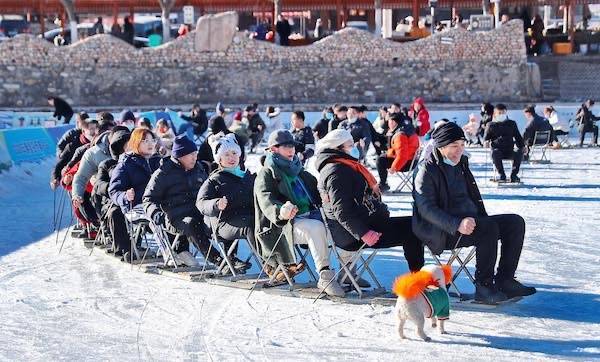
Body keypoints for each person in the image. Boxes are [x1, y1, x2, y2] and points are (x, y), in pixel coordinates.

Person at [413, 122, 536, 304]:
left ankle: (505, 280)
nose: (459, 151)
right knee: (487, 228)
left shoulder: (461, 164)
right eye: (454, 146)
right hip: (441, 230)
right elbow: (426, 208)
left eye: (462, 145)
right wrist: (456, 224)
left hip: (471, 223)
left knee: (514, 222)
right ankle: (484, 286)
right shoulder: (426, 169)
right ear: (440, 146)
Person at [316, 129, 425, 275]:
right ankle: (418, 278)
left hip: (365, 224)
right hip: (353, 234)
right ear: (337, 148)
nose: (354, 148)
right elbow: (342, 210)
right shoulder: (337, 171)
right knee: (412, 230)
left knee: (415, 224)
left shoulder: (345, 165)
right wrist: (364, 233)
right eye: (350, 145)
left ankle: (418, 276)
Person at [254, 130, 345, 296]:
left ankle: (348, 273)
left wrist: (330, 195)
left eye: (293, 146)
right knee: (316, 228)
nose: (291, 150)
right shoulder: (267, 173)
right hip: (284, 225)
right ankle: (325, 277)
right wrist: (281, 210)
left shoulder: (298, 170)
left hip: (311, 215)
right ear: (274, 149)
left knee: (344, 224)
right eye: (286, 146)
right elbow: (265, 199)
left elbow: (318, 189)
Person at [143, 135, 215, 267]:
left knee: (223, 220)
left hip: (199, 213)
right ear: (180, 155)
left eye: (195, 153)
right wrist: (155, 213)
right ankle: (218, 260)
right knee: (192, 223)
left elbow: (208, 190)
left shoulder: (198, 169)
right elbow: (148, 199)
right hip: (174, 218)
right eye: (191, 154)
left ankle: (231, 258)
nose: (195, 157)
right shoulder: (163, 173)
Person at [196, 133, 255, 271]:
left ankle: (283, 261)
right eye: (226, 154)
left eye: (234, 153)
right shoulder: (214, 179)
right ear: (219, 159)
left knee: (267, 222)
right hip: (223, 223)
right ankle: (271, 265)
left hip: (246, 217)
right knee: (251, 227)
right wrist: (216, 204)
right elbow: (201, 203)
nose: (231, 157)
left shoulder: (247, 176)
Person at [108, 128, 161, 260]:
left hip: (157, 204)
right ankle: (169, 255)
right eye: (144, 141)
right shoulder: (126, 163)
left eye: (152, 140)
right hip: (135, 206)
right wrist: (125, 196)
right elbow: (114, 191)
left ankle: (179, 250)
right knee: (157, 216)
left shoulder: (159, 161)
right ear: (136, 143)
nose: (150, 144)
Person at [92, 128, 130, 259]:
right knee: (115, 212)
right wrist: (113, 189)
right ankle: (124, 249)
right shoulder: (107, 164)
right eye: (127, 145)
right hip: (112, 200)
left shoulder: (138, 161)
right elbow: (98, 184)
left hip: (135, 200)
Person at [71, 114, 116, 221]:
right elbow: (81, 176)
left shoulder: (127, 147)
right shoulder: (92, 152)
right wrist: (77, 195)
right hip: (102, 193)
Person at [376, 113, 420, 192]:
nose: (388, 124)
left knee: (380, 160)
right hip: (412, 160)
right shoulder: (407, 129)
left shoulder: (400, 135)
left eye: (389, 121)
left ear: (394, 122)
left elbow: (402, 155)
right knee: (383, 157)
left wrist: (394, 168)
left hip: (406, 163)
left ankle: (383, 184)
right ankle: (383, 183)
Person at [51, 118, 98, 190]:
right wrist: (55, 178)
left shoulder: (99, 143)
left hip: (93, 183)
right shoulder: (73, 146)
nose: (94, 131)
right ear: (83, 131)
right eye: (91, 129)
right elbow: (61, 163)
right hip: (75, 182)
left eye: (96, 128)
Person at [484, 104, 525, 183]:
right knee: (495, 152)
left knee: (519, 152)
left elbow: (518, 137)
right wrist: (486, 142)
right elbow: (486, 138)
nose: (501, 115)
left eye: (503, 113)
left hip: (509, 150)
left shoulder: (512, 123)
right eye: (499, 113)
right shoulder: (490, 125)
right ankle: (502, 175)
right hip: (497, 151)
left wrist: (523, 146)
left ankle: (514, 175)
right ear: (495, 114)